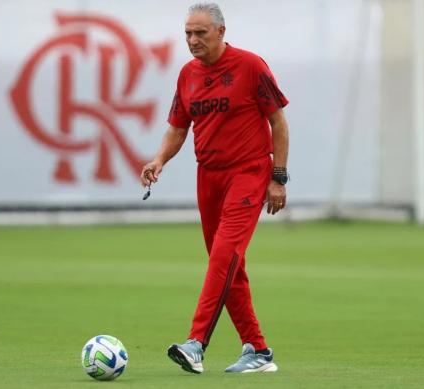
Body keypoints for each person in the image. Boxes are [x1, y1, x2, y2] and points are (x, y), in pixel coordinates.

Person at [140, 2, 290, 374]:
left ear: (221, 32)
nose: (192, 40)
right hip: (208, 176)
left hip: (249, 172)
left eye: (200, 33)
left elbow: (278, 122)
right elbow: (178, 127)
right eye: (188, 33)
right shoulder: (187, 74)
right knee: (227, 265)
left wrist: (278, 176)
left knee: (224, 256)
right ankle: (258, 350)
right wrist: (159, 159)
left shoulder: (251, 66)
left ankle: (196, 343)